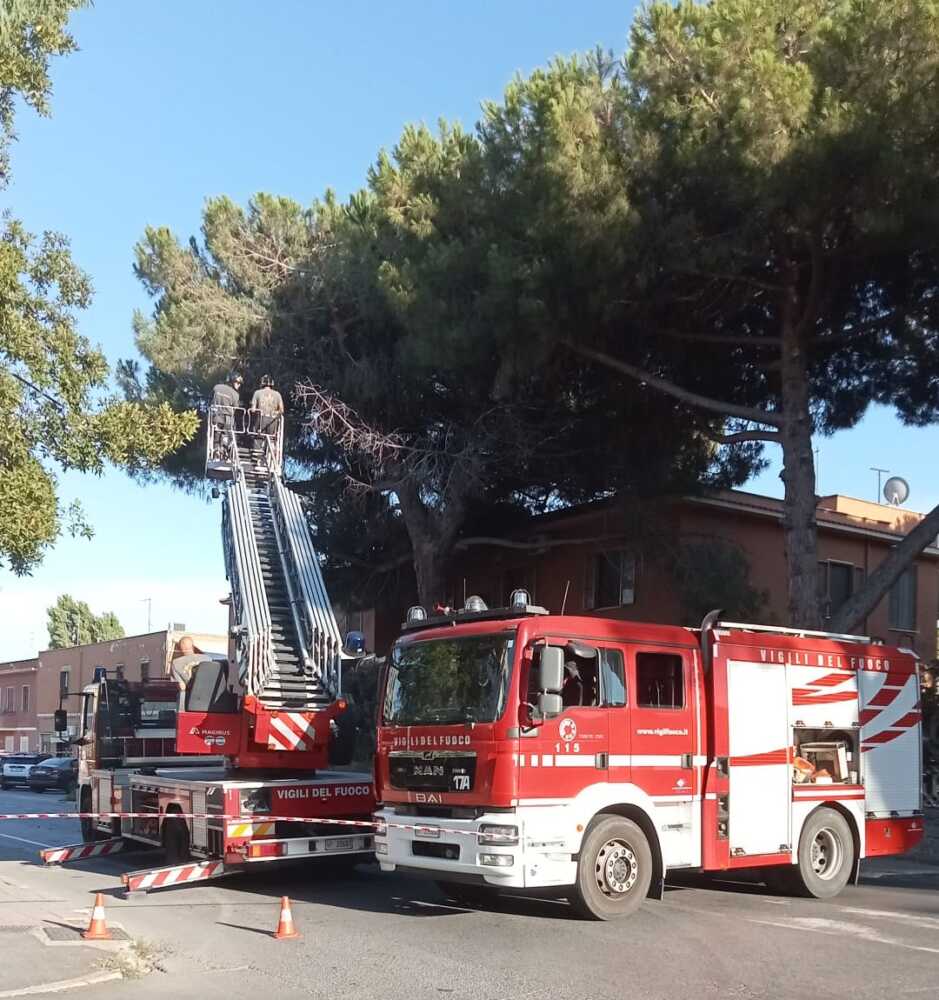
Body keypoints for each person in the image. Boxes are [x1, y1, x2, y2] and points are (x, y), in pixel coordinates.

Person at [249, 374, 284, 463]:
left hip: (261, 420)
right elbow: (281, 410)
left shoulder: (257, 393)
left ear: (262, 383)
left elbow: (253, 409)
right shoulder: (277, 394)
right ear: (271, 383)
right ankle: (271, 458)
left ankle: (256, 458)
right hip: (273, 421)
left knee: (258, 437)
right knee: (271, 439)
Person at [210, 373, 242, 460]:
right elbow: (235, 408)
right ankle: (225, 452)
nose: (239, 385)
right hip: (227, 418)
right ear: (232, 381)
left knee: (216, 433)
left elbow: (211, 398)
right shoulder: (235, 394)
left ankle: (216, 451)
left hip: (216, 416)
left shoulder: (217, 387)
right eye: (237, 383)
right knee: (228, 436)